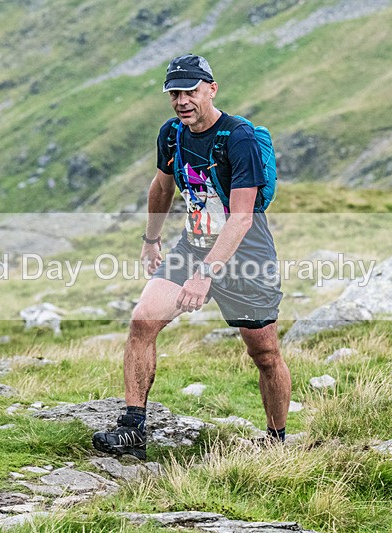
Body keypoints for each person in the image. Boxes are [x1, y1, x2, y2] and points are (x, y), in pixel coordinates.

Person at [92, 54, 291, 460]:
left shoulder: (240, 139)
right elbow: (161, 188)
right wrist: (151, 239)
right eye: (175, 93)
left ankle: (276, 440)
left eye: (191, 91)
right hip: (192, 246)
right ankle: (133, 431)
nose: (182, 100)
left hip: (245, 255)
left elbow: (240, 219)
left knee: (265, 353)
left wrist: (204, 276)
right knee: (141, 321)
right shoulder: (172, 134)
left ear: (212, 89)